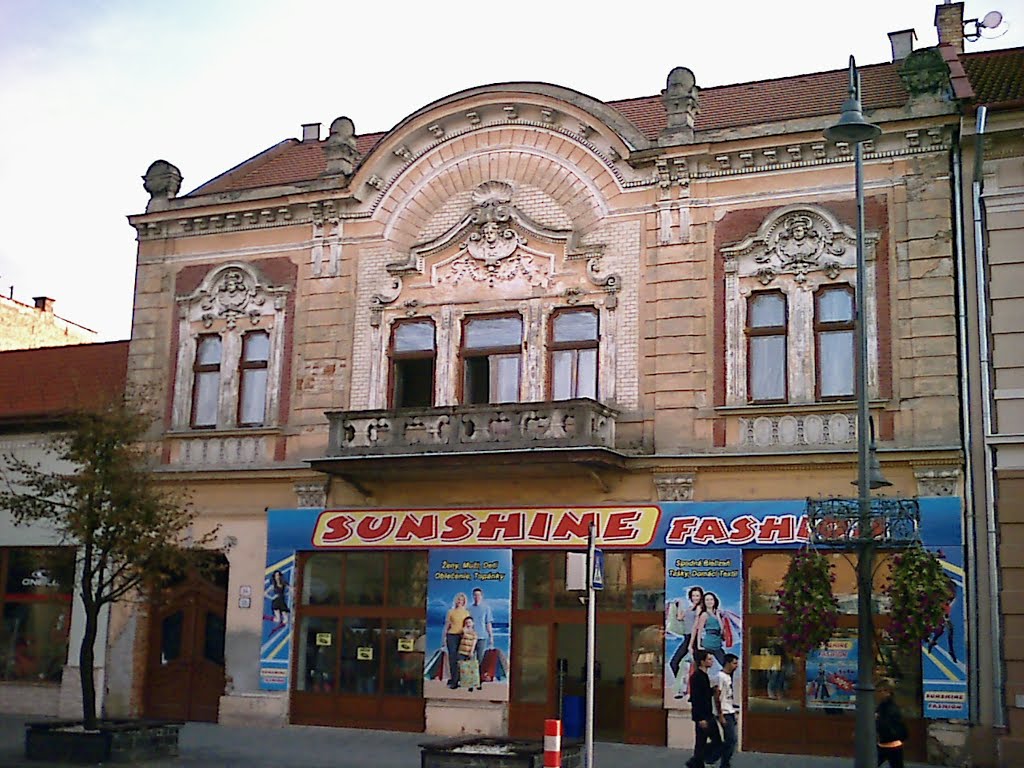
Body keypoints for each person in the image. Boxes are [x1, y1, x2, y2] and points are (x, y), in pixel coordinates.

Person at [686, 649, 722, 768]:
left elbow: (704, 694)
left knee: (703, 743)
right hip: (703, 716)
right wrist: (700, 718)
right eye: (709, 659)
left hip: (707, 713)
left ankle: (696, 761)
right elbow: (696, 699)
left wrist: (713, 690)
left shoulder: (704, 676)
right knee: (713, 742)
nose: (712, 661)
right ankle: (697, 761)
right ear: (702, 661)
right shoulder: (696, 677)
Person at [669, 586, 704, 699]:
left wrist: (691, 644)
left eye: (697, 595)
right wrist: (678, 605)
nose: (695, 598)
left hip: (694, 639)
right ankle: (682, 688)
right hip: (687, 637)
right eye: (693, 595)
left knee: (696, 667)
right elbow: (679, 618)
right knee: (674, 662)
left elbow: (695, 627)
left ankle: (694, 692)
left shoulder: (699, 608)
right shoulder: (690, 608)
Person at [714, 653, 739, 768]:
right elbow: (717, 696)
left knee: (732, 740)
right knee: (731, 739)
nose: (736, 666)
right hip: (724, 712)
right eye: (734, 663)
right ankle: (719, 759)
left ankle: (725, 762)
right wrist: (720, 715)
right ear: (728, 663)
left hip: (730, 711)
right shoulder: (720, 677)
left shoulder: (728, 676)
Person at [876, 678, 907, 768]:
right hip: (886, 743)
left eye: (880, 691)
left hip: (891, 743)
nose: (878, 694)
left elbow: (887, 724)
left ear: (887, 692)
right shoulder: (883, 705)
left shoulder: (890, 707)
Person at [691, 591, 727, 668]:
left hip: (717, 644)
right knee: (702, 666)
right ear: (704, 601)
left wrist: (718, 616)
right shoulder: (704, 614)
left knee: (725, 664)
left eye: (711, 599)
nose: (709, 602)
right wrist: (699, 645)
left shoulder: (718, 613)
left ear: (714, 601)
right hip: (707, 644)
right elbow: (699, 630)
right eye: (707, 600)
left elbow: (722, 629)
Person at [443, 592, 469, 689]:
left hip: (462, 636)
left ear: (464, 601)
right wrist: (444, 637)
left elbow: (468, 625)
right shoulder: (451, 612)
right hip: (451, 635)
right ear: (456, 600)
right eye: (458, 599)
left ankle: (460, 679)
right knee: (452, 658)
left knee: (461, 658)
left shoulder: (466, 612)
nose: (460, 601)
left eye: (461, 600)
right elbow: (447, 625)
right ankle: (454, 680)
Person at [467, 587, 494, 666]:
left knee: (480, 658)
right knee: (470, 657)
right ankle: (470, 676)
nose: (477, 597)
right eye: (475, 595)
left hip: (482, 636)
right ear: (473, 596)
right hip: (470, 637)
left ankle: (479, 676)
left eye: (478, 595)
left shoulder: (486, 608)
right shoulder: (469, 609)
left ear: (482, 596)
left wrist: (491, 637)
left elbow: (488, 623)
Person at [457, 616, 480, 691]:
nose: (468, 624)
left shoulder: (474, 633)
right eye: (466, 623)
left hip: (469, 651)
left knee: (471, 668)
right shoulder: (463, 631)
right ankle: (463, 682)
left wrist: (471, 652)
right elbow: (462, 634)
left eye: (469, 622)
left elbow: (474, 643)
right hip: (461, 651)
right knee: (462, 667)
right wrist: (465, 629)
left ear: (473, 623)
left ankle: (471, 685)